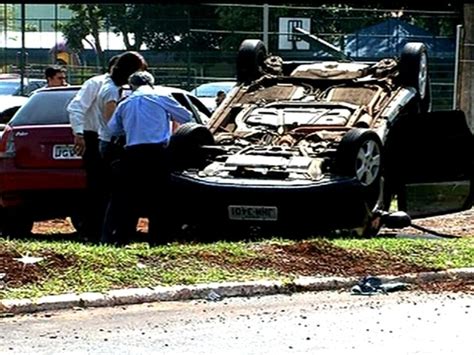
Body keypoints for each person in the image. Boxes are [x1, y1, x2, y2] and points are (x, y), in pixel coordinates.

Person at [106, 71, 192, 246]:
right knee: (159, 197)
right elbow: (186, 116)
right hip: (157, 153)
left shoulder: (125, 103)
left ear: (132, 86)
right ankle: (158, 240)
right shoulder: (161, 96)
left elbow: (113, 129)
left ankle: (123, 238)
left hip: (132, 154)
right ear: (152, 83)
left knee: (129, 197)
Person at [97, 51, 148, 245]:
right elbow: (112, 123)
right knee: (119, 195)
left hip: (112, 144)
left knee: (121, 194)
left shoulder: (115, 87)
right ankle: (110, 237)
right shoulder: (112, 91)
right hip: (113, 145)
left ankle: (118, 236)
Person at [67, 55, 119, 242]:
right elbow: (76, 107)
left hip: (118, 141)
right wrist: (79, 134)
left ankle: (110, 231)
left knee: (114, 187)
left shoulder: (132, 88)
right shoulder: (96, 83)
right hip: (95, 137)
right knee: (98, 186)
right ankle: (93, 232)